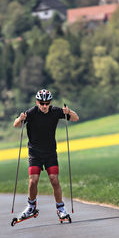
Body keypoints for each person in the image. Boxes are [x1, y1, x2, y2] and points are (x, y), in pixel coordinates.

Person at [13, 89, 79, 220]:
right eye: (42, 103)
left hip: (50, 153)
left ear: (50, 102)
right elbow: (16, 125)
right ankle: (31, 207)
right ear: (37, 102)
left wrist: (69, 112)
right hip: (35, 153)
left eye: (47, 103)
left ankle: (61, 208)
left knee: (54, 180)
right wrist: (20, 118)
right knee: (33, 181)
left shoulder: (55, 111)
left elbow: (76, 118)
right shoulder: (31, 112)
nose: (44, 106)